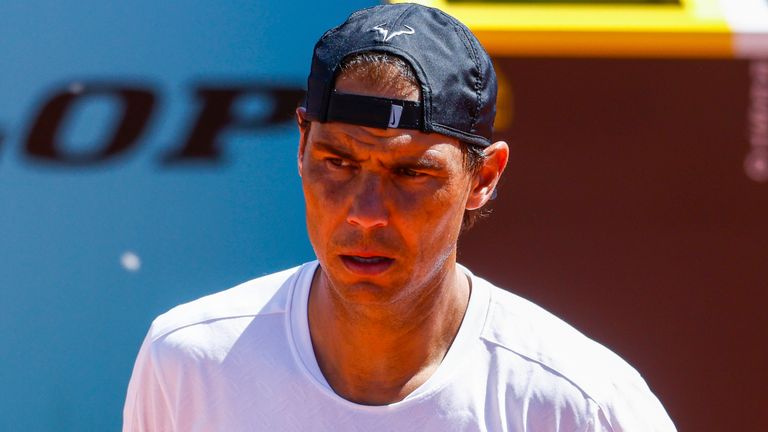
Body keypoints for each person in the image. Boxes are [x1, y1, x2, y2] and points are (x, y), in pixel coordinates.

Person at [123, 3, 676, 431]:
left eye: (411, 174)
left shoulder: (581, 404)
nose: (366, 214)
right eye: (337, 162)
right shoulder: (188, 362)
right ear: (300, 149)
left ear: (483, 178)